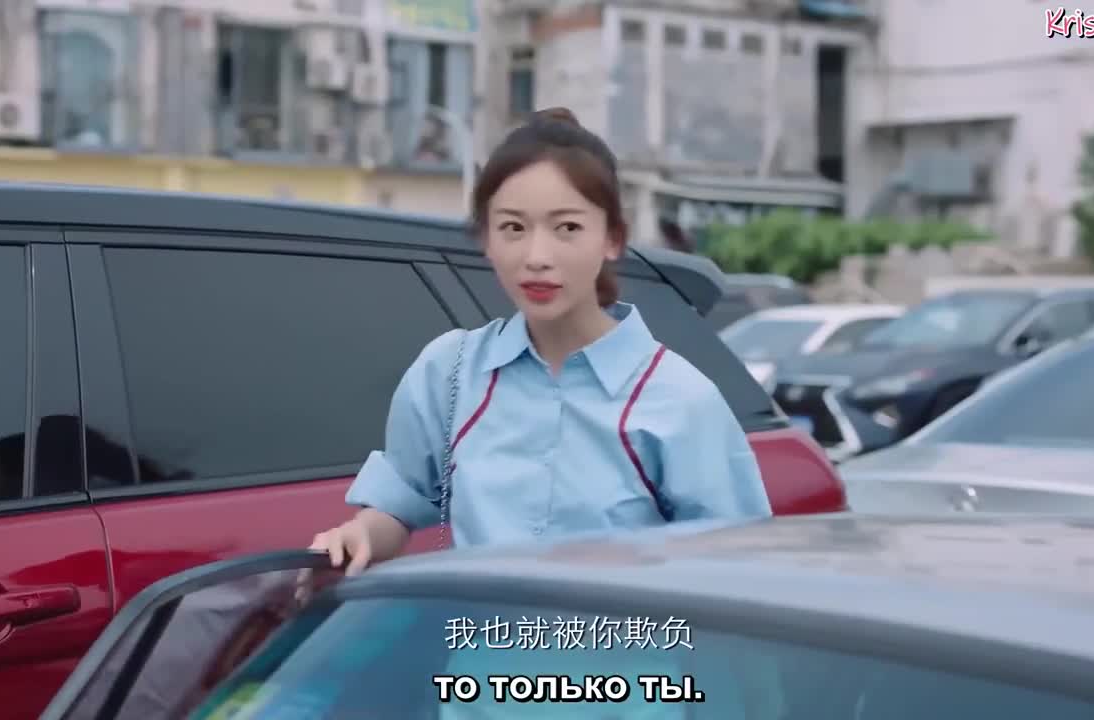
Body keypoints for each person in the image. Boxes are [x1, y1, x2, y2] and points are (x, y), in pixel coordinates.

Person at [310, 107, 770, 574]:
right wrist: (359, 535)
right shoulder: (451, 372)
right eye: (513, 228)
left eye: (567, 228)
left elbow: (734, 568)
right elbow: (397, 506)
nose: (537, 257)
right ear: (486, 239)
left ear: (612, 239)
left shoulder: (680, 400)